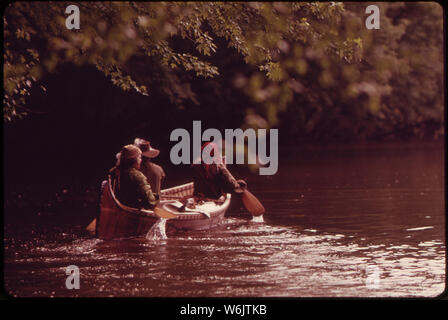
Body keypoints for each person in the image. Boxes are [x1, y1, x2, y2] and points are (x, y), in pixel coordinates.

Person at [112, 144, 159, 209]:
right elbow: (150, 202)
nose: (141, 160)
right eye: (139, 158)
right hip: (133, 211)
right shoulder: (137, 176)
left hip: (120, 207)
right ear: (134, 160)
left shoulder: (115, 172)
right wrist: (156, 197)